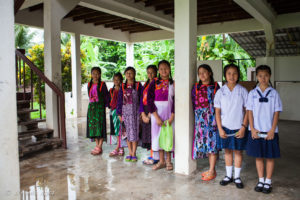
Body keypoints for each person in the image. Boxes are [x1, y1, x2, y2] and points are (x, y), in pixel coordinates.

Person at [246, 65, 282, 194]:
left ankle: (268, 181)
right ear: (257, 77)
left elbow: (277, 112)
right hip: (256, 131)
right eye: (260, 76)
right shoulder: (252, 93)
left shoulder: (274, 93)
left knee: (270, 157)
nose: (263, 78)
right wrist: (253, 129)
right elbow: (249, 111)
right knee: (259, 156)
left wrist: (272, 129)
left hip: (270, 131)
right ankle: (261, 180)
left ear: (270, 76)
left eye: (266, 75)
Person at [214, 63, 248, 189]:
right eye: (229, 73)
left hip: (239, 127)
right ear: (225, 75)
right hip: (225, 127)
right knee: (227, 151)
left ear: (238, 75)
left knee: (238, 152)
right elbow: (217, 112)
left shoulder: (243, 91)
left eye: (234, 73)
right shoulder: (220, 92)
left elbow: (248, 111)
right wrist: (220, 128)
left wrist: (244, 127)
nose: (232, 76)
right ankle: (228, 176)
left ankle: (237, 177)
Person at [191, 64, 220, 181]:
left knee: (212, 145)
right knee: (205, 145)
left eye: (204, 72)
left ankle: (212, 170)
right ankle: (210, 169)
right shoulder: (196, 87)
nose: (202, 75)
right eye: (200, 73)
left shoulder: (216, 87)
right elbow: (194, 103)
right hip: (200, 121)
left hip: (212, 120)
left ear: (210, 73)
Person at [147, 60, 175, 171]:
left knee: (168, 136)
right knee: (158, 137)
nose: (164, 71)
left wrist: (172, 116)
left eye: (166, 68)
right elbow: (149, 100)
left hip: (169, 115)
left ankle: (169, 161)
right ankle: (161, 161)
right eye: (161, 68)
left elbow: (176, 100)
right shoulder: (154, 83)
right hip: (156, 115)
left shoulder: (173, 83)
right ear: (158, 70)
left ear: (170, 69)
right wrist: (156, 116)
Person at [117, 67, 143, 162]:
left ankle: (134, 153)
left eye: (131, 73)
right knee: (127, 134)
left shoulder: (138, 85)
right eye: (127, 73)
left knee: (134, 134)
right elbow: (119, 100)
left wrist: (141, 112)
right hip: (125, 114)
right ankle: (129, 152)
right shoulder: (122, 86)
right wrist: (119, 113)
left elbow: (141, 99)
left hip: (135, 114)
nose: (129, 75)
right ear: (125, 74)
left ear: (134, 74)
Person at [86, 67, 109, 155]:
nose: (95, 75)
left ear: (100, 75)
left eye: (97, 74)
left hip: (100, 108)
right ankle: (97, 145)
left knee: (101, 126)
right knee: (94, 127)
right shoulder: (89, 84)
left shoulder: (102, 84)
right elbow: (89, 96)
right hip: (92, 108)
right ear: (91, 74)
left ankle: (99, 146)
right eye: (93, 73)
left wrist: (106, 106)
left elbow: (106, 96)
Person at [140, 65, 160, 165]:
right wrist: (142, 114)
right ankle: (153, 155)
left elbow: (155, 100)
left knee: (154, 135)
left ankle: (156, 156)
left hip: (153, 111)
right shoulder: (146, 84)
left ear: (156, 72)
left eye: (152, 72)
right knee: (149, 136)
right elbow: (141, 100)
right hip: (145, 110)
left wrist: (149, 115)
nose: (150, 74)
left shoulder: (157, 83)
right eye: (148, 72)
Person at [109, 72, 124, 157]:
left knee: (121, 130)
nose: (116, 81)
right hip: (113, 112)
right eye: (114, 79)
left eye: (118, 79)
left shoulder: (123, 90)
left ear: (121, 80)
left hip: (121, 112)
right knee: (116, 130)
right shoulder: (111, 90)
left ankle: (119, 147)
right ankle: (120, 147)